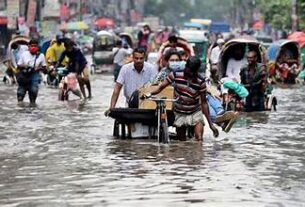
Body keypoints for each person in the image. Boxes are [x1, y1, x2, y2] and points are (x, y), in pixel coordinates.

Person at [145, 56, 219, 141]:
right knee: (182, 141)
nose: (190, 74)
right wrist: (149, 94)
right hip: (179, 112)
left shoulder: (200, 81)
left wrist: (211, 124)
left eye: (193, 72)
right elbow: (160, 87)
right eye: (189, 70)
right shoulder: (175, 75)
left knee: (199, 138)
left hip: (195, 112)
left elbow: (204, 103)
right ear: (186, 67)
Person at [106, 48, 157, 112]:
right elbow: (117, 89)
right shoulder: (125, 69)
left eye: (141, 58)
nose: (139, 60)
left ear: (144, 58)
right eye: (136, 58)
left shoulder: (151, 69)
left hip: (147, 104)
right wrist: (112, 108)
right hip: (129, 104)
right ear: (133, 58)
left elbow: (156, 87)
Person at [16, 39, 47, 107]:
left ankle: (32, 108)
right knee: (20, 94)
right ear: (28, 46)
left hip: (34, 75)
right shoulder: (24, 54)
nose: (33, 47)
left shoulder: (41, 56)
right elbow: (18, 65)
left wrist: (38, 68)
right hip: (24, 75)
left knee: (33, 92)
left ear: (38, 47)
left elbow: (45, 68)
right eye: (31, 46)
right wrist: (25, 66)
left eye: (35, 46)